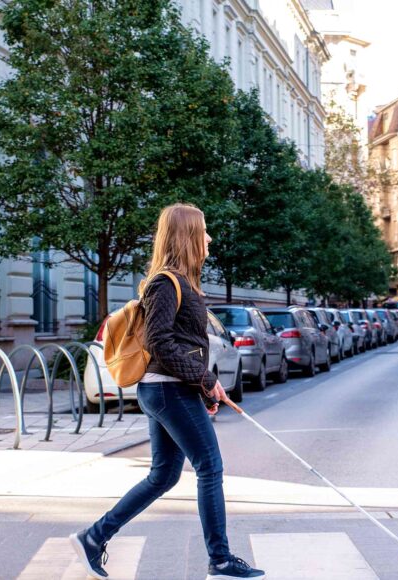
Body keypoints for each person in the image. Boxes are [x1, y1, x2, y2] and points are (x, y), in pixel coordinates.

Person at [70, 203, 264, 579]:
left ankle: (94, 538)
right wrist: (205, 381)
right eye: (204, 231)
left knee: (164, 475)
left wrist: (205, 388)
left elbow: (182, 344)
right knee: (210, 467)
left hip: (171, 390)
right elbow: (160, 343)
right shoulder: (165, 282)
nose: (209, 238)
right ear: (188, 236)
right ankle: (220, 560)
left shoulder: (184, 282)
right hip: (167, 390)